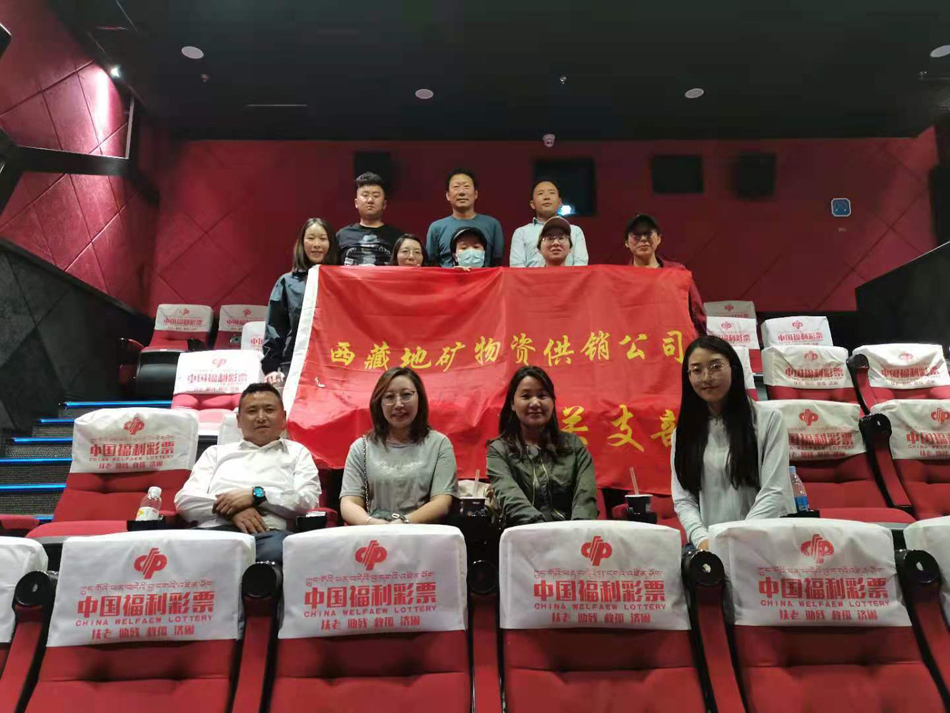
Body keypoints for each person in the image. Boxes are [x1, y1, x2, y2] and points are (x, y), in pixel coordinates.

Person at [174, 383, 322, 563]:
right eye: (252, 411)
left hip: (268, 535)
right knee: (176, 551)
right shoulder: (215, 453)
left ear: (283, 417)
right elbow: (185, 501)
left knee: (282, 552)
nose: (261, 417)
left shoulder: (297, 452)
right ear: (238, 420)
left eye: (269, 410)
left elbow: (308, 500)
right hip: (212, 533)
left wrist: (258, 495)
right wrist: (232, 511)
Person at [671, 336, 794, 551]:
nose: (707, 377)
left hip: (763, 542)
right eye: (697, 370)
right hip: (711, 546)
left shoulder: (769, 420)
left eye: (715, 366)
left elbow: (775, 491)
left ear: (734, 369)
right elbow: (684, 500)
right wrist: (702, 540)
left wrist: (736, 539)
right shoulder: (683, 433)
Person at [340, 367, 458, 525]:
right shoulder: (361, 448)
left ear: (419, 398)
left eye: (406, 395)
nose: (398, 404)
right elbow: (349, 503)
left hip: (424, 535)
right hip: (376, 534)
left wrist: (404, 523)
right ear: (379, 403)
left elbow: (442, 502)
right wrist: (372, 524)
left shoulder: (439, 444)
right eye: (389, 397)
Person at [487, 366, 598, 526]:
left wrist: (577, 530)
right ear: (512, 404)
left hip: (573, 533)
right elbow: (511, 498)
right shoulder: (499, 450)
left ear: (552, 402)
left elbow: (585, 496)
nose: (535, 403)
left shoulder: (574, 445)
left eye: (542, 395)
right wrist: (543, 531)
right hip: (524, 534)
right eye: (526, 396)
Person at [263, 217, 337, 386]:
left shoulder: (341, 282)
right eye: (311, 238)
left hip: (334, 362)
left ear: (331, 244)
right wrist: (271, 368)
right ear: (302, 243)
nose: (316, 244)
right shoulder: (287, 282)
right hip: (295, 363)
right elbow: (275, 327)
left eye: (323, 239)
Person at [625, 214, 707, 335]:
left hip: (672, 342)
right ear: (626, 242)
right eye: (636, 235)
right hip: (637, 342)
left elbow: (697, 315)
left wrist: (699, 341)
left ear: (659, 238)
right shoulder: (621, 279)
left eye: (648, 233)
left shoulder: (678, 272)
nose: (643, 239)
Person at [427, 169, 505, 267]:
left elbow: (497, 262)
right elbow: (431, 264)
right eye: (456, 187)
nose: (461, 192)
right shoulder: (436, 228)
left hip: (484, 277)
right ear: (448, 195)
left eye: (466, 186)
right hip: (448, 277)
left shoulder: (492, 225)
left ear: (475, 194)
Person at [510, 178, 589, 267]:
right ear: (532, 204)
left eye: (551, 193)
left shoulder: (575, 231)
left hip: (569, 276)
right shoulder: (521, 233)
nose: (546, 197)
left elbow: (581, 265)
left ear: (560, 202)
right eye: (540, 193)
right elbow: (516, 268)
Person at [336, 172, 405, 266]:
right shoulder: (342, 236)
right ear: (356, 203)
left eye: (376, 196)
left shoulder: (397, 237)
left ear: (384, 204)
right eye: (365, 195)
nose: (370, 200)